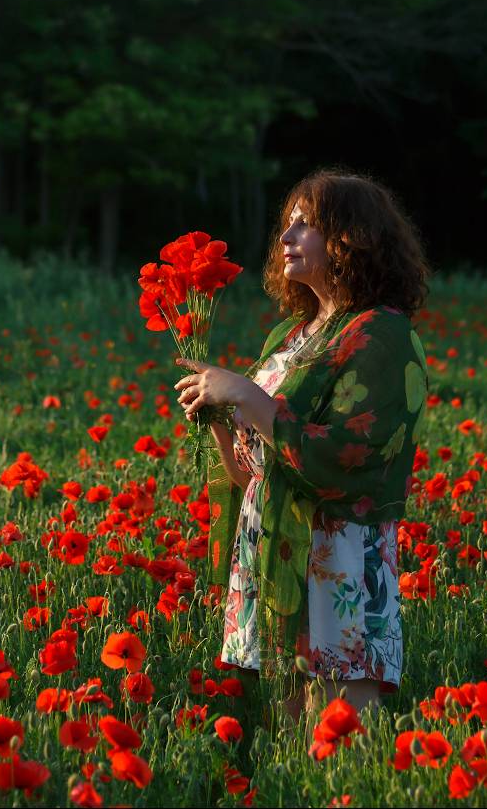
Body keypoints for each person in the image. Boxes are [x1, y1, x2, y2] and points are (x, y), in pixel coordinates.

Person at [173, 168, 430, 721]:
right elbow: (252, 471)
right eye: (286, 225)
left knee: (337, 744)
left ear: (351, 238)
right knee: (289, 743)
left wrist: (246, 394)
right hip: (279, 550)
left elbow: (346, 459)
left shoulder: (382, 335)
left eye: (305, 225)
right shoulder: (292, 335)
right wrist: (218, 415)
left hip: (339, 557)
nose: (285, 237)